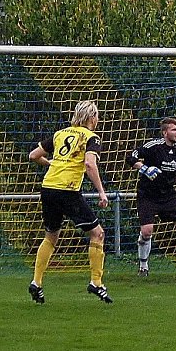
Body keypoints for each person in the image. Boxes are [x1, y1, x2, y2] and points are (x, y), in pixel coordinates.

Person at [28, 100, 112, 304]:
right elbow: (90, 164)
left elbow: (33, 155)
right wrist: (102, 192)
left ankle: (36, 282)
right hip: (67, 190)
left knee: (51, 236)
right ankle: (96, 282)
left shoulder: (60, 134)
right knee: (98, 233)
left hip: (48, 188)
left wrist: (53, 164)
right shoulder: (92, 138)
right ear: (92, 118)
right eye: (97, 116)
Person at [126, 116, 176, 277]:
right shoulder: (153, 146)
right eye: (174, 130)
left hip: (168, 194)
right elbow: (131, 157)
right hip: (147, 194)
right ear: (164, 132)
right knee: (147, 231)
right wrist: (144, 168)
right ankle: (143, 267)